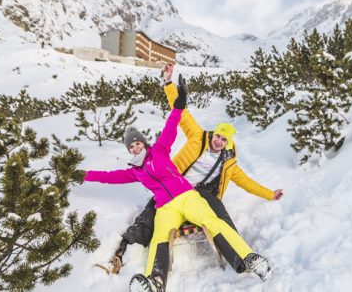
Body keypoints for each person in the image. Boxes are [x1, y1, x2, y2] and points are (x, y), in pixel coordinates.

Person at [83, 77, 271, 292]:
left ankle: (248, 259)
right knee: (159, 238)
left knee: (213, 221)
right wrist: (82, 174)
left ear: (144, 143)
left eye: (137, 143)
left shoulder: (160, 150)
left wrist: (179, 101)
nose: (135, 148)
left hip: (187, 196)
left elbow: (172, 124)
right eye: (131, 147)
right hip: (165, 207)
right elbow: (108, 176)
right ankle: (155, 281)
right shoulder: (135, 172)